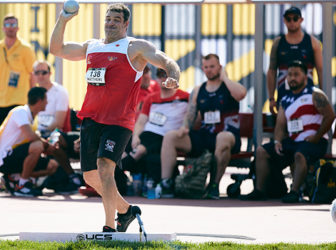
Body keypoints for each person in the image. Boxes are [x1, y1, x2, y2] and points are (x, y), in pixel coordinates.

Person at [50, 3, 180, 232]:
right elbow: (56, 49)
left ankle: (109, 228)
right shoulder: (92, 46)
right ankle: (126, 210)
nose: (110, 23)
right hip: (91, 118)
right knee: (90, 177)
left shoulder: (134, 47)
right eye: (108, 19)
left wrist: (173, 76)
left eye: (116, 20)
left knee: (104, 167)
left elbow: (166, 60)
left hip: (120, 121)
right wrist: (64, 18)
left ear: (125, 24)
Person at [242, 60, 335, 203]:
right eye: (289, 74)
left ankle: (295, 192)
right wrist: (278, 141)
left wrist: (316, 136)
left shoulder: (315, 94)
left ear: (306, 76)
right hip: (293, 142)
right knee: (261, 151)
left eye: (296, 74)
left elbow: (330, 115)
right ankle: (260, 190)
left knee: (299, 154)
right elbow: (280, 125)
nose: (292, 78)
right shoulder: (285, 99)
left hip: (313, 142)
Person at [160, 54, 247, 199]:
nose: (209, 70)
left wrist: (224, 78)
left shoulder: (229, 87)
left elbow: (242, 94)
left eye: (212, 67)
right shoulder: (198, 90)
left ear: (220, 67)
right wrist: (184, 127)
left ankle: (214, 185)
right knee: (171, 137)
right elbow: (190, 114)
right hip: (205, 136)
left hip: (227, 137)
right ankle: (166, 184)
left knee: (223, 137)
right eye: (206, 67)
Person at [122, 68, 189, 184]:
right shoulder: (151, 98)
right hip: (147, 134)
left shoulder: (186, 97)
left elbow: (193, 118)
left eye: (167, 75)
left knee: (140, 151)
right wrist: (136, 136)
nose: (163, 78)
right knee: (123, 147)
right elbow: (141, 122)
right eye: (160, 75)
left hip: (166, 137)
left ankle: (108, 173)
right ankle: (113, 177)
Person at [0, 87, 59, 197]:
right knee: (37, 146)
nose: (47, 102)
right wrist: (47, 146)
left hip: (16, 156)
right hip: (3, 159)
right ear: (39, 101)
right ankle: (22, 186)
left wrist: (46, 145)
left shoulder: (33, 117)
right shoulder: (20, 112)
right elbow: (31, 137)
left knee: (52, 166)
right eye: (46, 99)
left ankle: (14, 178)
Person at [267, 6, 323, 115]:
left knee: (307, 128)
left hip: (307, 96)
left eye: (295, 18)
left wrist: (322, 96)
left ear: (301, 20)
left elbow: (321, 71)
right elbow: (272, 71)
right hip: (284, 95)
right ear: (284, 20)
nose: (292, 22)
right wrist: (271, 98)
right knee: (282, 128)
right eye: (289, 19)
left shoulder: (312, 43)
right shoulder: (278, 43)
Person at [0, 14, 36, 125]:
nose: (10, 27)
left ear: (18, 28)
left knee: (22, 137)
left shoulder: (26, 48)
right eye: (7, 24)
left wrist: (32, 99)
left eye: (13, 24)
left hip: (21, 100)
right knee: (4, 136)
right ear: (3, 28)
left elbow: (32, 74)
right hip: (3, 100)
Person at [32, 60, 69, 137]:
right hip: (37, 134)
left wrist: (40, 134)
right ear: (33, 75)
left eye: (44, 72)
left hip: (55, 134)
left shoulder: (60, 92)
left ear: (50, 73)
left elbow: (59, 124)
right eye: (37, 73)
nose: (40, 76)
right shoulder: (33, 92)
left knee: (37, 146)